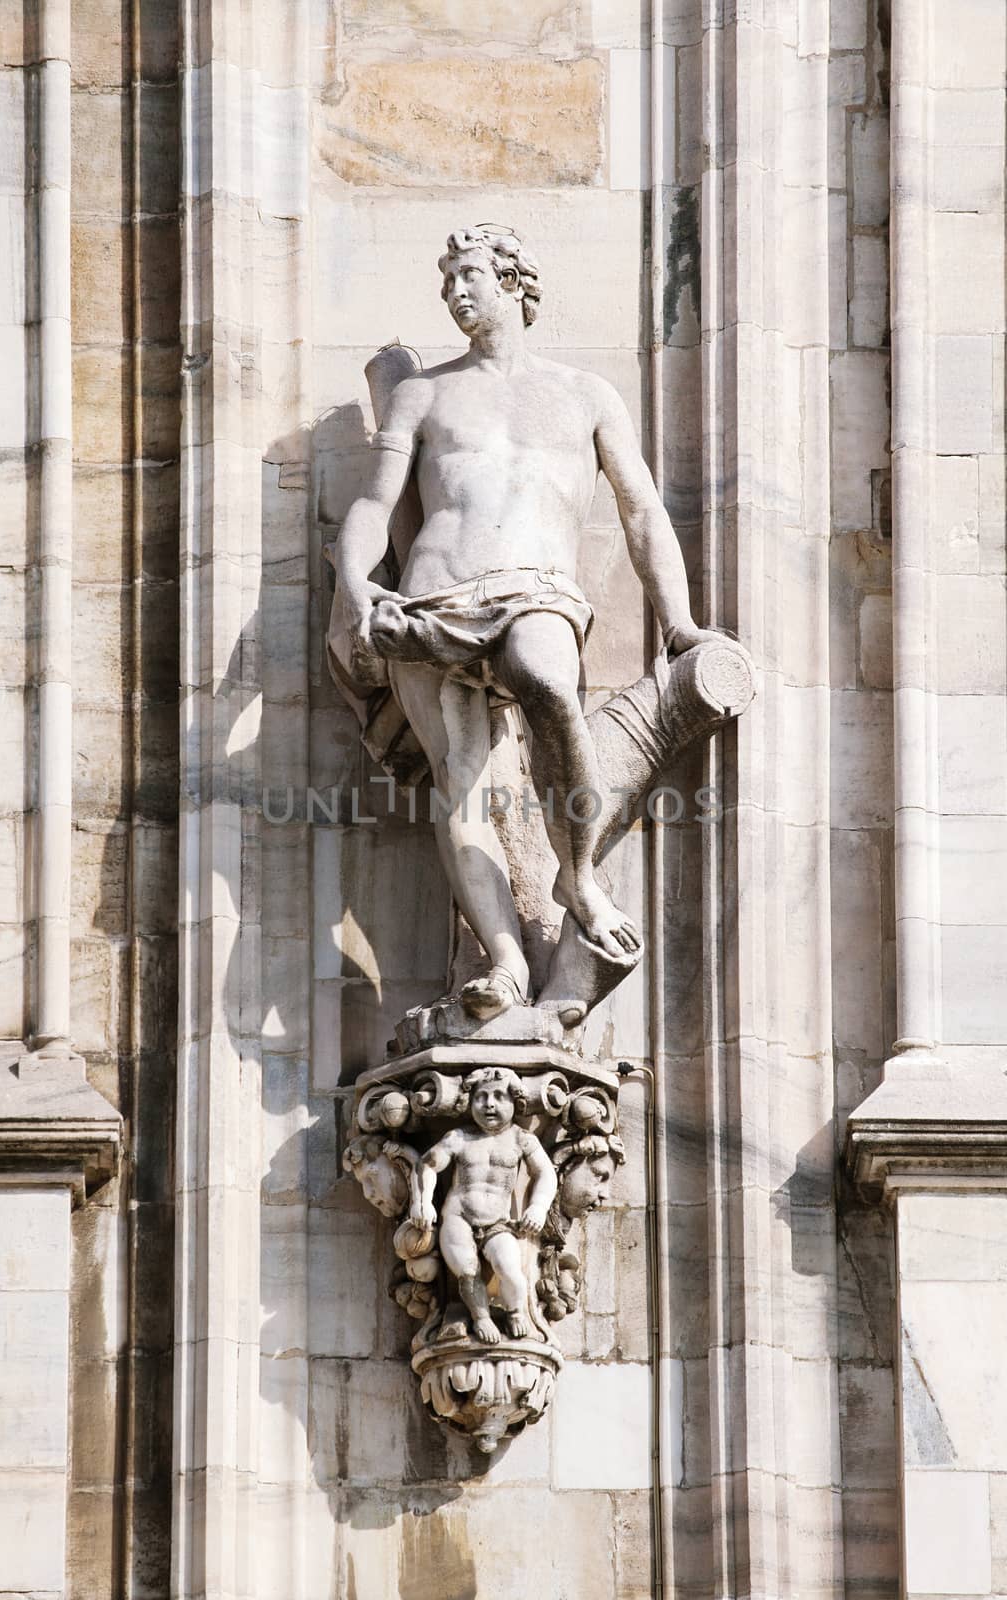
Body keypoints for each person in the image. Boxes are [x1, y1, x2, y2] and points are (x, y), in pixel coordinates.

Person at [333, 224, 716, 1020]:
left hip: (535, 588)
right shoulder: (422, 392)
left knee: (548, 679)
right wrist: (357, 586)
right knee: (462, 782)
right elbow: (376, 503)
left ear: (513, 280)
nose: (455, 291)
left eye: (468, 274)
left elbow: (642, 511)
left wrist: (678, 623)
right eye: (447, 282)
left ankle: (575, 873)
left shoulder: (582, 395)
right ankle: (506, 961)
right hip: (435, 597)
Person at [409, 1067, 557, 1344]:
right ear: (469, 1102)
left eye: (499, 1096)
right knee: (467, 1271)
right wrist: (422, 1203)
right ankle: (481, 1318)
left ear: (515, 1102)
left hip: (498, 1223)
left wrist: (538, 1208)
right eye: (481, 1097)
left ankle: (515, 1312)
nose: (489, 1104)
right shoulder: (459, 1138)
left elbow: (546, 1173)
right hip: (458, 1217)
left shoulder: (522, 1139)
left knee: (512, 1274)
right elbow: (426, 1165)